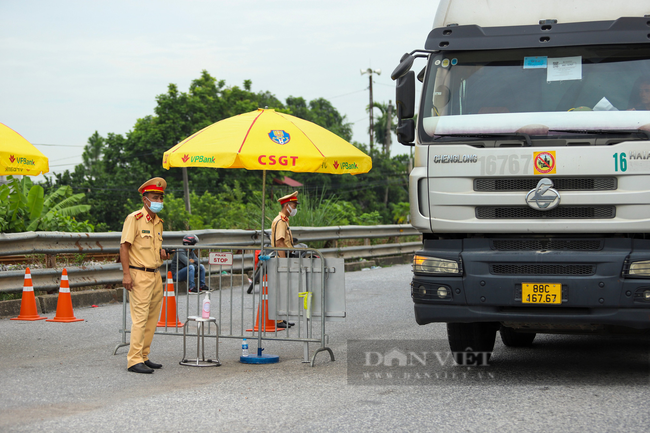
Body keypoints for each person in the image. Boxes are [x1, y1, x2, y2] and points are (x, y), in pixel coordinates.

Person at [120, 177, 169, 374]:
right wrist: (126, 275)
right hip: (139, 274)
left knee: (151, 319)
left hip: (155, 274)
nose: (158, 201)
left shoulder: (158, 223)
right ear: (145, 199)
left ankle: (144, 356)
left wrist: (162, 254)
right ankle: (133, 360)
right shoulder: (135, 219)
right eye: (154, 197)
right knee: (139, 318)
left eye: (160, 197)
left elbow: (151, 249)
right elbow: (124, 246)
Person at [270, 191, 299, 328]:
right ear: (287, 205)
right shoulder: (280, 221)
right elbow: (280, 242)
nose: (295, 208)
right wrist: (283, 262)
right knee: (279, 291)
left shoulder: (283, 220)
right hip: (281, 258)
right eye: (293, 205)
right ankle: (277, 320)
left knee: (282, 290)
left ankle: (280, 319)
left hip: (283, 257)